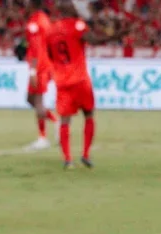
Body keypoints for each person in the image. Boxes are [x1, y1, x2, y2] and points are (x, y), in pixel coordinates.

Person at [46, 0, 102, 169]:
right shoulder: (77, 25)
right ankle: (85, 154)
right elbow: (93, 40)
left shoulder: (51, 30)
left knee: (65, 120)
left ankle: (67, 159)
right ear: (69, 9)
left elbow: (50, 54)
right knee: (89, 114)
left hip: (62, 81)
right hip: (80, 79)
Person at [24, 0, 57, 151]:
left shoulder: (35, 22)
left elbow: (36, 47)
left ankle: (42, 138)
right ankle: (54, 120)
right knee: (30, 99)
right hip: (46, 63)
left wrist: (33, 70)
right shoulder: (44, 19)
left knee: (37, 100)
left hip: (40, 66)